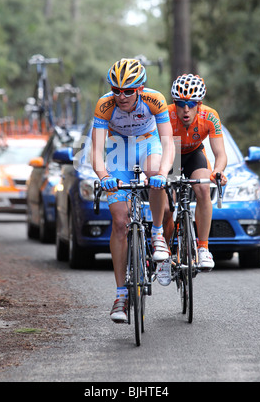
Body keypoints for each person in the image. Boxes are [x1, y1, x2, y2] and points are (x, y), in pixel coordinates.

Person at [91, 58, 174, 323]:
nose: (121, 96)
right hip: (118, 151)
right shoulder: (104, 106)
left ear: (139, 89)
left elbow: (169, 143)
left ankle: (158, 233)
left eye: (128, 91)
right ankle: (120, 295)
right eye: (116, 90)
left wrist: (163, 173)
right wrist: (103, 175)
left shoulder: (155, 100)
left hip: (149, 144)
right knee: (119, 221)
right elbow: (96, 150)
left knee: (154, 174)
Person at [158, 73, 228, 286]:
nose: (185, 109)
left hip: (195, 155)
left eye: (190, 104)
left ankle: (203, 247)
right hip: (171, 155)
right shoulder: (166, 115)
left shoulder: (210, 116)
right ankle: (166, 255)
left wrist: (217, 171)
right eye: (180, 104)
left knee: (204, 188)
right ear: (174, 103)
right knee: (168, 209)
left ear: (199, 104)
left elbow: (221, 154)